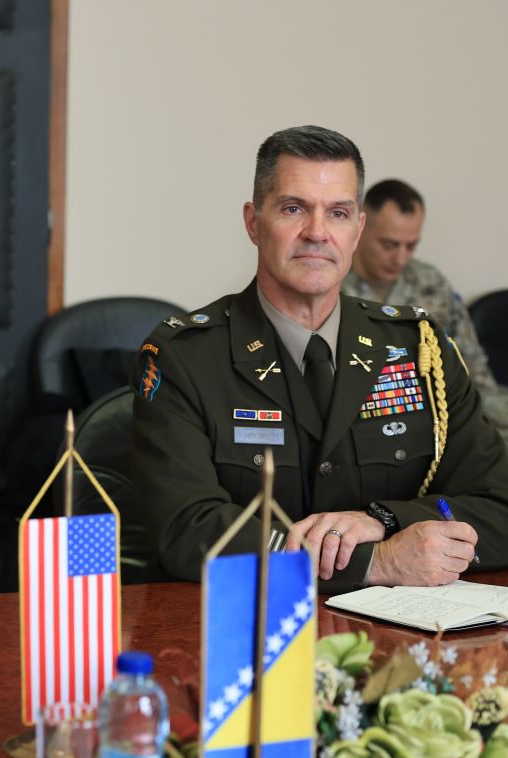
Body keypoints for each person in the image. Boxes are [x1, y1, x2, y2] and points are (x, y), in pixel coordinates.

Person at [132, 125, 508, 591]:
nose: (316, 232)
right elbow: (188, 529)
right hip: (246, 622)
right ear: (253, 222)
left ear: (358, 230)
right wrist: (374, 562)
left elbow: (499, 506)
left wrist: (385, 520)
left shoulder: (418, 349)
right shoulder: (184, 357)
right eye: (293, 208)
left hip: (400, 629)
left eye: (338, 213)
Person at [342, 179, 508, 442]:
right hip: (364, 428)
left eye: (411, 246)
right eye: (389, 245)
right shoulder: (330, 287)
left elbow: (472, 369)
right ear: (360, 228)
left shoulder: (430, 283)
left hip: (443, 419)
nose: (400, 259)